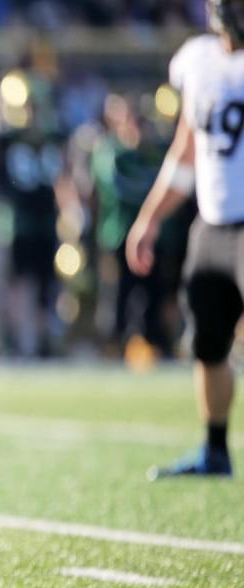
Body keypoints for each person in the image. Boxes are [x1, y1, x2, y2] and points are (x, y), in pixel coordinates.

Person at [126, 0, 244, 479]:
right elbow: (186, 150)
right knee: (207, 345)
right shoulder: (197, 59)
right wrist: (150, 218)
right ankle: (215, 450)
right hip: (211, 226)